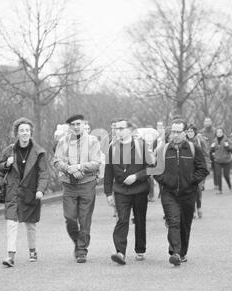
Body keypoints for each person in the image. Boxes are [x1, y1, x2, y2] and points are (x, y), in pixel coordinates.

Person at [154, 119, 209, 266]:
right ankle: (175, 253)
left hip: (188, 193)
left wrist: (191, 181)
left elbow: (203, 169)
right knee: (173, 221)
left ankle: (182, 252)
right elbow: (155, 170)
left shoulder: (193, 148)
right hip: (169, 193)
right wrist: (166, 181)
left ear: (185, 132)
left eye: (179, 131)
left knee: (185, 224)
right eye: (173, 131)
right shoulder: (164, 149)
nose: (175, 134)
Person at [0, 117, 49, 267]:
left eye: (27, 130)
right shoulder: (9, 150)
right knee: (11, 223)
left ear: (31, 132)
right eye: (21, 131)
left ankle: (32, 250)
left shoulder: (39, 152)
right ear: (17, 133)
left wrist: (40, 190)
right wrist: (7, 163)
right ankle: (10, 256)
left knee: (30, 224)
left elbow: (44, 173)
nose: (24, 133)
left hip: (31, 192)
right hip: (12, 192)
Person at [104, 119, 153, 265]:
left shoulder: (141, 146)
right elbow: (108, 172)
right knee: (122, 219)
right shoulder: (112, 147)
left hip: (139, 189)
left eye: (121, 129)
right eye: (116, 129)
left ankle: (140, 249)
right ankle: (120, 252)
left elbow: (151, 167)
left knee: (139, 220)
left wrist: (136, 176)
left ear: (130, 130)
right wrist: (107, 193)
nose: (117, 131)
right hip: (120, 190)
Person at [53, 114, 101, 263]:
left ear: (83, 124)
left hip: (87, 184)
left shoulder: (93, 141)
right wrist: (69, 169)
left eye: (78, 124)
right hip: (69, 185)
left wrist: (80, 167)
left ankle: (81, 250)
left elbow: (96, 163)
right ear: (69, 127)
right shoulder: (63, 141)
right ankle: (78, 241)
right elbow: (56, 161)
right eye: (73, 124)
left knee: (85, 219)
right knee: (70, 218)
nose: (76, 127)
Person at [186, 124, 208, 218]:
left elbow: (206, 155)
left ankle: (199, 207)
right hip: (188, 169)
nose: (190, 133)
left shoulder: (200, 141)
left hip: (199, 168)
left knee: (198, 189)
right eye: (188, 131)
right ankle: (192, 211)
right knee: (190, 190)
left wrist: (206, 168)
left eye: (191, 131)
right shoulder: (184, 142)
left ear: (195, 132)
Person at [209, 127, 232, 194]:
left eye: (220, 132)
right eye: (217, 132)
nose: (219, 133)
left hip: (226, 160)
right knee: (218, 175)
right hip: (217, 160)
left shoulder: (226, 140)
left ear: (223, 133)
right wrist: (211, 149)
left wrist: (227, 147)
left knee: (226, 175)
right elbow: (211, 151)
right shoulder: (214, 140)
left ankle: (230, 186)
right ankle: (220, 190)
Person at [200, 117, 216, 189]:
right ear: (204, 123)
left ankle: (216, 184)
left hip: (214, 152)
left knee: (216, 169)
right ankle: (202, 183)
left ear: (211, 122)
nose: (207, 123)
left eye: (208, 121)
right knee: (205, 168)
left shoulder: (215, 131)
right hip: (205, 153)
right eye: (206, 121)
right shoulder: (201, 132)